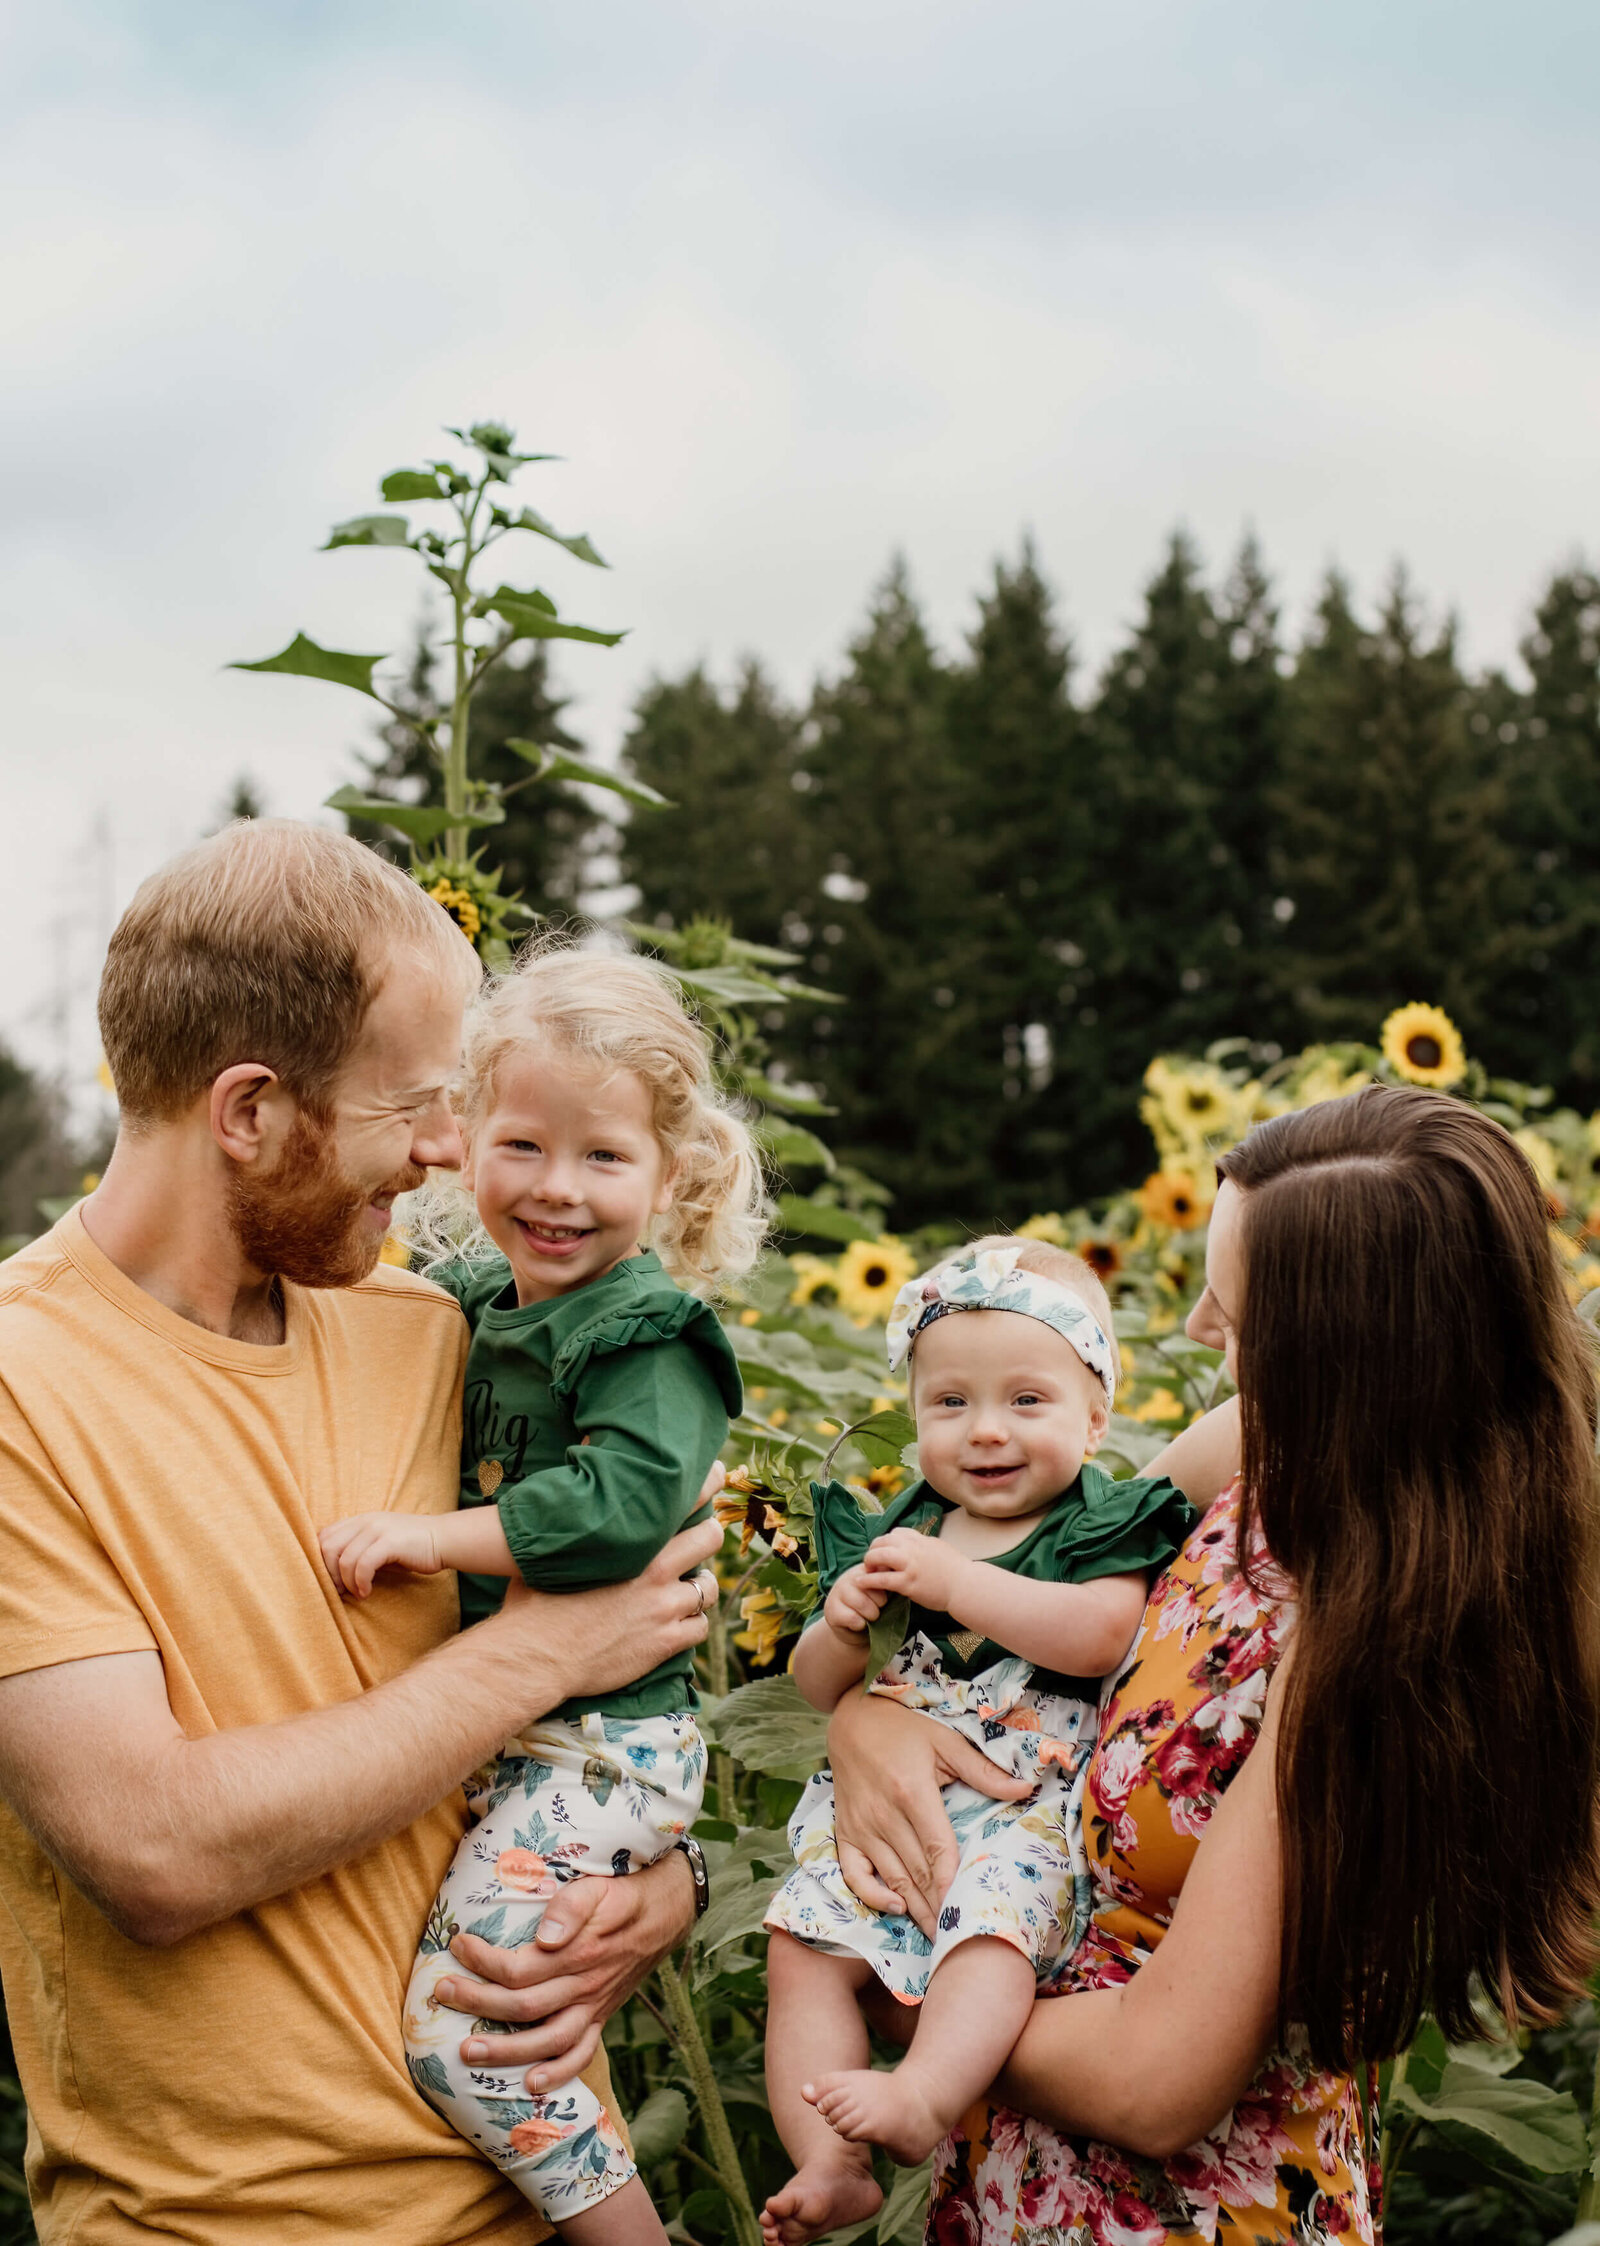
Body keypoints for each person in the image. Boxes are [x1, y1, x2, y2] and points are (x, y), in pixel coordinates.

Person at [0, 822, 722, 2246]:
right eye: (419, 1105)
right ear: (250, 1111)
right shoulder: (24, 1387)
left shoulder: (450, 1331)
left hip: (524, 2196)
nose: (454, 1151)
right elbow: (154, 1850)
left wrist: (663, 1881)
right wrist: (544, 1647)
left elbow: (651, 1611)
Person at [822, 1088, 1600, 2245]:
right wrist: (866, 1720)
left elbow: (1156, 2074)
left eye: (1233, 1316)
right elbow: (1052, 1560)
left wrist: (897, 1998)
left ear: (1344, 1355)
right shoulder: (1271, 1447)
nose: (1192, 1328)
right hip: (1023, 2183)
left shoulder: (1373, 1640)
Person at [321, 944, 765, 2243]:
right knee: (512, 2013)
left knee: (474, 2027)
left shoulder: (649, 1336)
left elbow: (622, 1512)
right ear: (462, 1140)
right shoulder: (472, 1300)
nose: (557, 1189)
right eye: (523, 1144)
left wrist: (432, 1536)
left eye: (604, 1158)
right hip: (524, 1738)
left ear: (667, 1175)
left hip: (599, 1748)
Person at [760, 1238, 1192, 2246]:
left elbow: (1098, 1636)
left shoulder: (1097, 1520)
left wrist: (954, 1585)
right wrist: (837, 1620)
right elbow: (819, 1687)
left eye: (1025, 1401)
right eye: (949, 1402)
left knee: (989, 1935)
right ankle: (830, 2162)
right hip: (880, 1809)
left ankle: (922, 2091)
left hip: (1017, 1800)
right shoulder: (907, 1525)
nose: (985, 1430)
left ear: (1095, 1418)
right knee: (802, 1948)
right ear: (914, 1417)